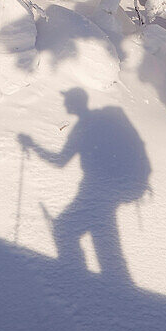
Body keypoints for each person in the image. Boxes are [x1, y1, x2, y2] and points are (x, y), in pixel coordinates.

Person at [17, 89, 150, 281]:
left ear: (75, 103)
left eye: (68, 101)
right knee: (105, 242)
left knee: (65, 228)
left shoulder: (84, 127)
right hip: (110, 190)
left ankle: (75, 279)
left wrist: (32, 145)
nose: (65, 105)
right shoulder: (102, 123)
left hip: (95, 191)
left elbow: (60, 161)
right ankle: (117, 289)